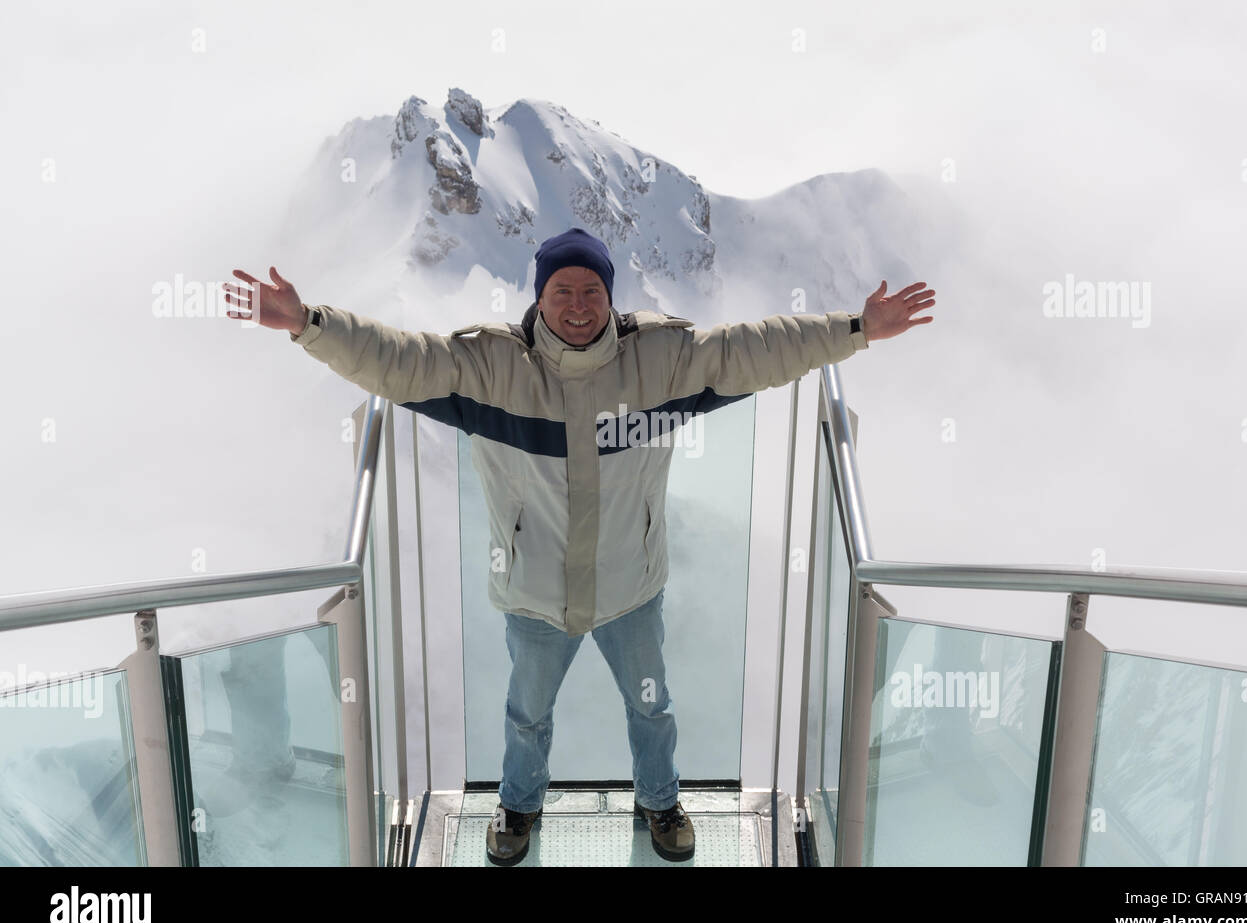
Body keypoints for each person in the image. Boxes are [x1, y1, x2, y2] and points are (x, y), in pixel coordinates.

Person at [225, 227, 936, 865]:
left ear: (609, 298)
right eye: (562, 289)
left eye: (590, 290)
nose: (576, 304)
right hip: (535, 593)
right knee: (526, 716)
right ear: (539, 297)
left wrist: (855, 329)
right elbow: (396, 361)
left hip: (631, 586)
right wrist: (310, 324)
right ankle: (518, 807)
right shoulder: (490, 369)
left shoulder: (661, 361)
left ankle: (660, 803)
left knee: (651, 707)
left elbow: (756, 350)